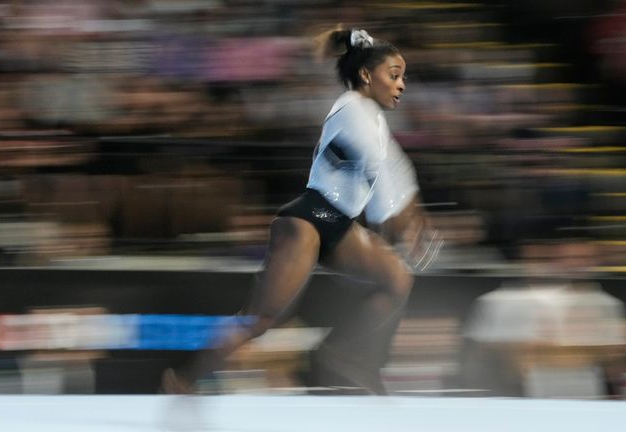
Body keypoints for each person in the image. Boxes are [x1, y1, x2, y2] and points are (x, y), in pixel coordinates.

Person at [162, 27, 440, 396]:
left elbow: (395, 166)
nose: (402, 84)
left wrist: (410, 215)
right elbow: (380, 169)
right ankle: (182, 379)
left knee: (397, 278)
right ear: (365, 75)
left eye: (403, 76)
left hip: (336, 222)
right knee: (261, 319)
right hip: (309, 219)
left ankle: (341, 356)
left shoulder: (374, 118)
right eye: (394, 75)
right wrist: (394, 223)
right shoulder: (350, 109)